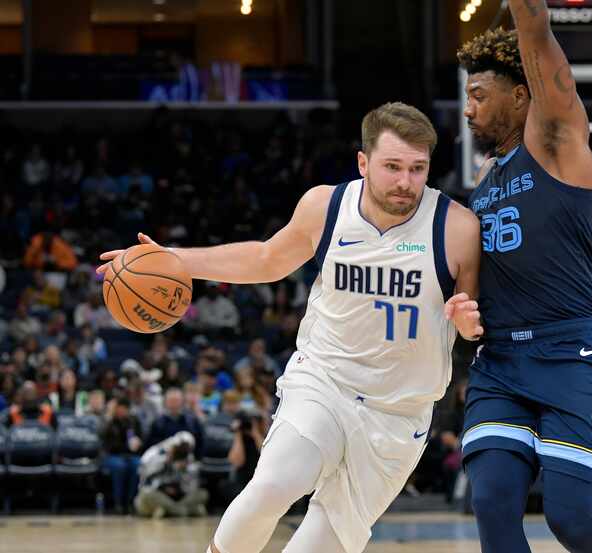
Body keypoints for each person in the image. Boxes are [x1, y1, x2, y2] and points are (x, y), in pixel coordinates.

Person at [98, 102, 482, 553]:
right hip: (325, 382)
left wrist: (471, 324)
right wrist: (174, 258)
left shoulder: (456, 227)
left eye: (418, 169)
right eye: (392, 166)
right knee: (272, 486)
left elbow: (473, 322)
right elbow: (265, 259)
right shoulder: (327, 206)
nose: (405, 182)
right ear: (363, 162)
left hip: (398, 414)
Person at [456, 3, 592, 551]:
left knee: (571, 520)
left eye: (479, 94)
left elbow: (535, 28)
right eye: (467, 96)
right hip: (502, 359)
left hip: (570, 350)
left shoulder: (555, 142)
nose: (468, 109)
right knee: (491, 503)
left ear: (523, 94)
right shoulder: (483, 181)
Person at [134, 431, 208, 518]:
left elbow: (192, 486)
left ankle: (168, 510)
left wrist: (184, 470)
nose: (182, 452)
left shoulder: (188, 458)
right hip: (158, 493)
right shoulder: (155, 452)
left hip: (178, 496)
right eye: (181, 448)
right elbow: (143, 474)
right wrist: (166, 461)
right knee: (146, 493)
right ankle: (183, 511)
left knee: (203, 493)